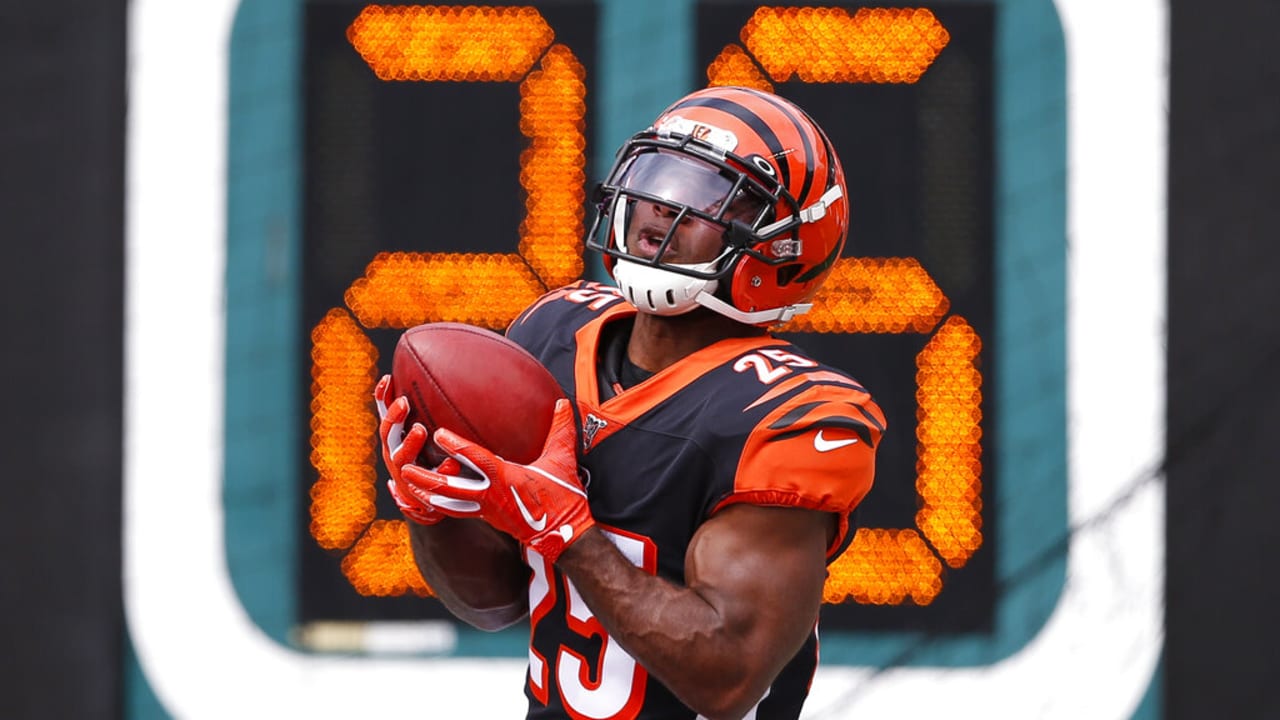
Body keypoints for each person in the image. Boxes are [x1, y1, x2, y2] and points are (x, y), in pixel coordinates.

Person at [375, 85, 886, 720]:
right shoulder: (552, 335)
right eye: (660, 179)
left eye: (709, 198)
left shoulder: (785, 418)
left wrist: (569, 532)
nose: (661, 209)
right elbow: (492, 603)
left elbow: (727, 679)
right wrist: (437, 506)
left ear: (782, 245)